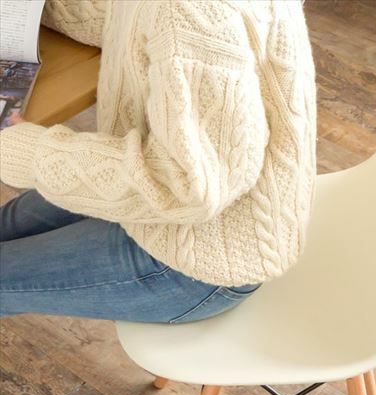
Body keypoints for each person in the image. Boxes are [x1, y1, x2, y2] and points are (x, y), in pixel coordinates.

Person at [0, 0, 317, 323]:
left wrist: (21, 149)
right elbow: (127, 18)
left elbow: (188, 187)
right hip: (168, 197)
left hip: (197, 257)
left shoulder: (188, 11)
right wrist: (27, 11)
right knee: (8, 223)